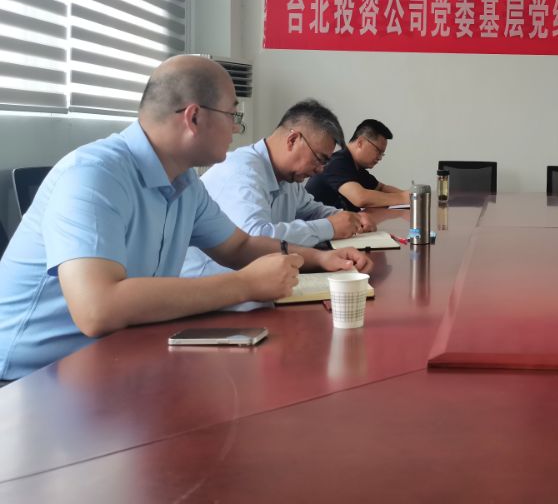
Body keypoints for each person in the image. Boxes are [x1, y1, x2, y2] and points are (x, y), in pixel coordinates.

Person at [0, 55, 372, 380]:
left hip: (116, 360)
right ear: (194, 117)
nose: (237, 129)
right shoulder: (95, 175)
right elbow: (98, 308)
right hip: (30, 380)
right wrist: (245, 285)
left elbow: (240, 245)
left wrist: (320, 258)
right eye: (233, 115)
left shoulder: (184, 183)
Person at [181, 98, 375, 279]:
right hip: (207, 285)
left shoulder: (287, 178)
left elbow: (312, 210)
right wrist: (329, 227)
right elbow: (255, 239)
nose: (320, 170)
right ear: (292, 140)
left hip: (252, 282)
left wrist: (350, 219)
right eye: (319, 159)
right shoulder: (243, 170)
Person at [306, 119, 409, 211]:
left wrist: (410, 197)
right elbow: (360, 198)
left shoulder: (356, 167)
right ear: (360, 142)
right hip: (316, 224)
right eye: (378, 151)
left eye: (382, 154)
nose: (379, 158)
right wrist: (402, 198)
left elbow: (382, 188)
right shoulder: (336, 163)